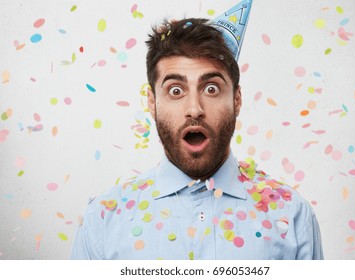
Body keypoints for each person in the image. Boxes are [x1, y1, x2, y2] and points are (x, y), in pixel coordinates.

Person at [71, 3, 323, 260]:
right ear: (152, 101)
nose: (194, 109)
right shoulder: (102, 220)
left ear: (236, 100)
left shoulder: (292, 216)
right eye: (176, 90)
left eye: (211, 88)